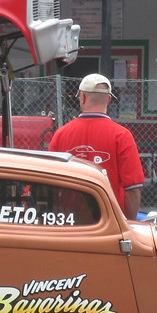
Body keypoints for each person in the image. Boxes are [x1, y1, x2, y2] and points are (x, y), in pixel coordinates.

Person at [48, 73, 145, 219]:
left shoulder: (61, 134)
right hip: (108, 224)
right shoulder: (122, 135)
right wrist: (129, 224)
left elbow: (50, 183)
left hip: (70, 221)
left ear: (82, 97)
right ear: (109, 99)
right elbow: (133, 189)